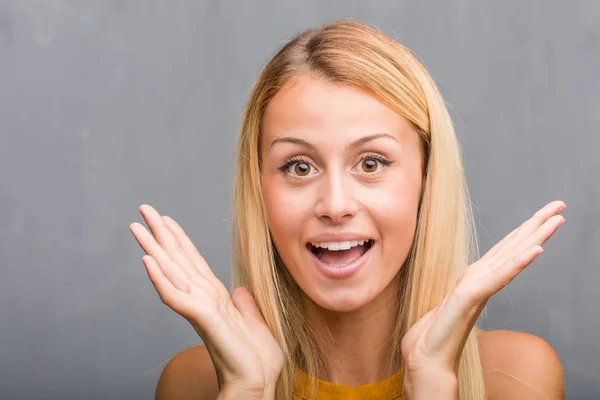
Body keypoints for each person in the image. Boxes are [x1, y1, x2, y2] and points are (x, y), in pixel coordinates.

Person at [129, 20, 566, 399]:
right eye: (299, 167)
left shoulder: (519, 378)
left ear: (428, 181)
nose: (335, 205)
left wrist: (432, 382)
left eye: (371, 163)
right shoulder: (193, 384)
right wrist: (246, 391)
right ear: (259, 188)